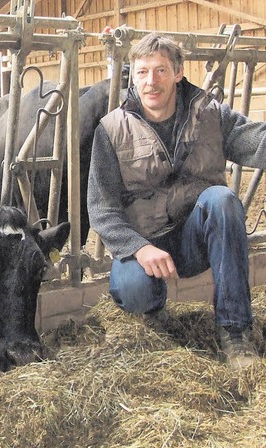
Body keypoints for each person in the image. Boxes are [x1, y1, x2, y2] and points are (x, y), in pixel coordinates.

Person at [88, 32, 266, 370]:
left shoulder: (209, 114)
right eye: (142, 72)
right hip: (147, 244)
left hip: (195, 238)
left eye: (160, 71)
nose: (150, 82)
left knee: (223, 199)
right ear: (133, 75)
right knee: (133, 291)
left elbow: (254, 139)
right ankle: (154, 313)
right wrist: (138, 247)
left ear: (178, 72)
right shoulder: (111, 130)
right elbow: (101, 207)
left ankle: (235, 332)